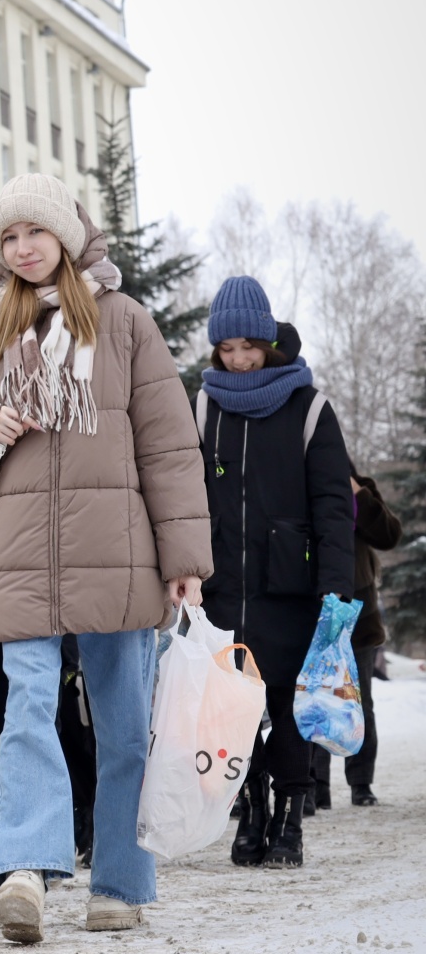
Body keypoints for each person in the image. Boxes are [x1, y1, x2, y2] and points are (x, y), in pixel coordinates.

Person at [0, 173, 210, 944]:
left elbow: (168, 445)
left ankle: (120, 883)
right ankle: (25, 871)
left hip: (117, 551)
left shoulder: (124, 323)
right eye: (9, 237)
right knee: (28, 709)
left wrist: (182, 556)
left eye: (34, 231)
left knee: (124, 725)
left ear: (65, 234)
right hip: (21, 554)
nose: (22, 248)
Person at [196, 278, 353, 869]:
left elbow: (334, 507)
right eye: (227, 349)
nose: (238, 359)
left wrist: (335, 589)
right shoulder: (203, 407)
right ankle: (252, 804)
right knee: (229, 706)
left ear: (269, 343)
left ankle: (291, 812)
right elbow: (183, 496)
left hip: (291, 586)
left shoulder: (309, 408)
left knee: (286, 703)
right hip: (220, 588)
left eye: (249, 347)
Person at [311, 467, 401, 807]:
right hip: (316, 608)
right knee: (318, 697)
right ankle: (317, 784)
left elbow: (389, 535)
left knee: (359, 702)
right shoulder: (303, 480)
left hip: (359, 615)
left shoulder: (360, 487)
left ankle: (361, 782)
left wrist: (357, 492)